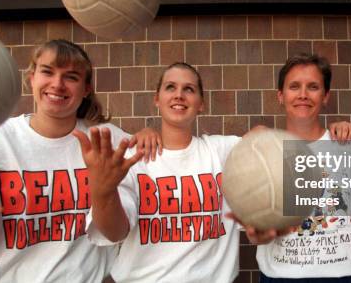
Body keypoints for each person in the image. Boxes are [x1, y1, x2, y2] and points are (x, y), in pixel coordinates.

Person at [0, 39, 158, 282]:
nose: (57, 84)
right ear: (32, 77)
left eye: (71, 77)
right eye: (47, 71)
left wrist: (105, 189)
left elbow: (114, 233)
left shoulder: (108, 141)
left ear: (86, 88)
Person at [75, 62, 242, 283]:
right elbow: (114, 233)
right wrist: (103, 191)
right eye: (170, 87)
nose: (179, 95)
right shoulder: (133, 159)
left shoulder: (221, 151)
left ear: (201, 104)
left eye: (189, 89)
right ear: (157, 99)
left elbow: (264, 142)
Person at [248, 54, 351, 283]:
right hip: (278, 276)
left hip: (341, 276)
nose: (303, 94)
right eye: (294, 87)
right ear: (280, 96)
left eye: (313, 87)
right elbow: (257, 232)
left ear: (325, 96)